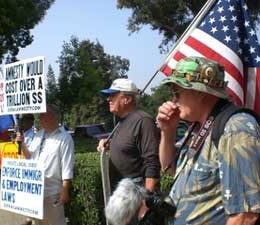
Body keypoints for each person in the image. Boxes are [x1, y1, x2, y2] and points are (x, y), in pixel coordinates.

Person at [156, 56, 260, 225]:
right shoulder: (196, 128)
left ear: (199, 92)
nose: (173, 99)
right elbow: (168, 168)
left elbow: (245, 215)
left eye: (176, 91)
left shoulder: (236, 128)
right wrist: (167, 131)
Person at [97, 78, 160, 224]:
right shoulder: (122, 121)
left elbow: (152, 162)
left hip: (136, 194)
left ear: (127, 99)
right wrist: (108, 143)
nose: (108, 99)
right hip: (122, 193)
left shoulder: (143, 121)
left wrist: (147, 201)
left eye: (113, 95)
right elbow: (129, 146)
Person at [17, 104, 75, 225]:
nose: (40, 118)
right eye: (40, 115)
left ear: (53, 117)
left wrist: (65, 190)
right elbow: (29, 156)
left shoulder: (65, 138)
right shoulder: (38, 135)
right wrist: (22, 144)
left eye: (43, 115)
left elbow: (67, 166)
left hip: (52, 192)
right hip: (35, 191)